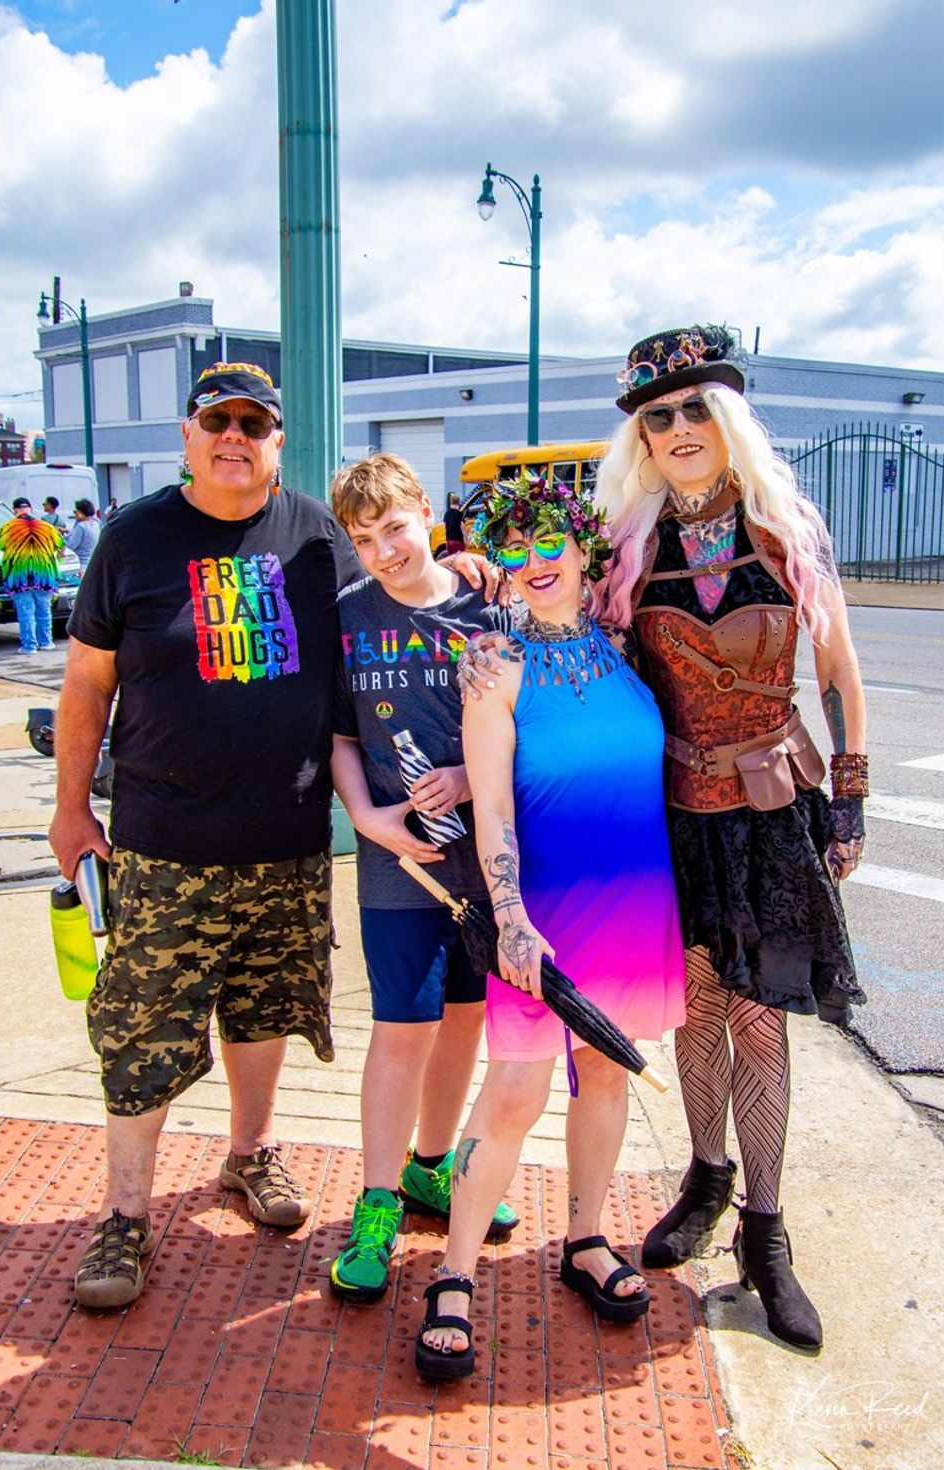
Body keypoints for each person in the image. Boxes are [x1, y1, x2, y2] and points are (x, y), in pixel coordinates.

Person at [48, 362, 361, 1311]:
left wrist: (467, 572)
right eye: (217, 420)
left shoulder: (318, 536)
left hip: (288, 842)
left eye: (253, 425)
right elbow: (86, 686)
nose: (235, 437)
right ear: (187, 435)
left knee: (265, 1011)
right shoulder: (132, 540)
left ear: (277, 442)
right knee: (141, 1028)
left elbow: (388, 616)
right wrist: (71, 809)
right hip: (162, 845)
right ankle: (124, 1214)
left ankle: (249, 1153)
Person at [592, 324, 868, 1350]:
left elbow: (837, 672)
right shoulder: (626, 548)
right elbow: (586, 660)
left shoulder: (782, 530)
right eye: (656, 416)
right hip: (672, 815)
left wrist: (850, 796)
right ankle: (704, 1180)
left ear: (729, 419)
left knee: (759, 1019)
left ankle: (765, 1232)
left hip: (769, 817)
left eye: (695, 408)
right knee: (698, 1007)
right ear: (641, 438)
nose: (676, 427)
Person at [415, 469, 686, 1380]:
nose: (534, 561)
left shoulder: (625, 644)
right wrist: (511, 919)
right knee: (515, 1093)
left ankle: (585, 1239)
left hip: (637, 901)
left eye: (549, 542)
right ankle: (453, 1273)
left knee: (604, 1075)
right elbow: (492, 807)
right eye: (515, 546)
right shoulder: (494, 664)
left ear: (582, 549)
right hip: (545, 916)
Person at [327, 453, 518, 1303]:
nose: (385, 552)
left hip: (485, 861)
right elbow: (340, 736)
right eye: (365, 539)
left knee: (466, 1018)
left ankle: (430, 1167)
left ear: (428, 516)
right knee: (402, 1025)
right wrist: (366, 817)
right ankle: (377, 1202)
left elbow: (524, 717)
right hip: (398, 865)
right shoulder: (349, 617)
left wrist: (473, 779)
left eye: (396, 528)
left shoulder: (487, 605)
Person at [0, 496, 64, 653]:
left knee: (26, 611)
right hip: (44, 574)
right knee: (44, 610)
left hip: (19, 576)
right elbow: (62, 546)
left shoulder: (7, 528)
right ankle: (46, 642)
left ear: (15, 510)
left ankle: (29, 646)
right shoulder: (47, 527)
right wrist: (55, 560)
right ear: (30, 509)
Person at [65, 498, 101, 573]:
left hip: (80, 565)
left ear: (81, 512)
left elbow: (71, 546)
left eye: (76, 511)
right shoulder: (95, 524)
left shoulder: (81, 526)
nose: (75, 514)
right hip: (92, 563)